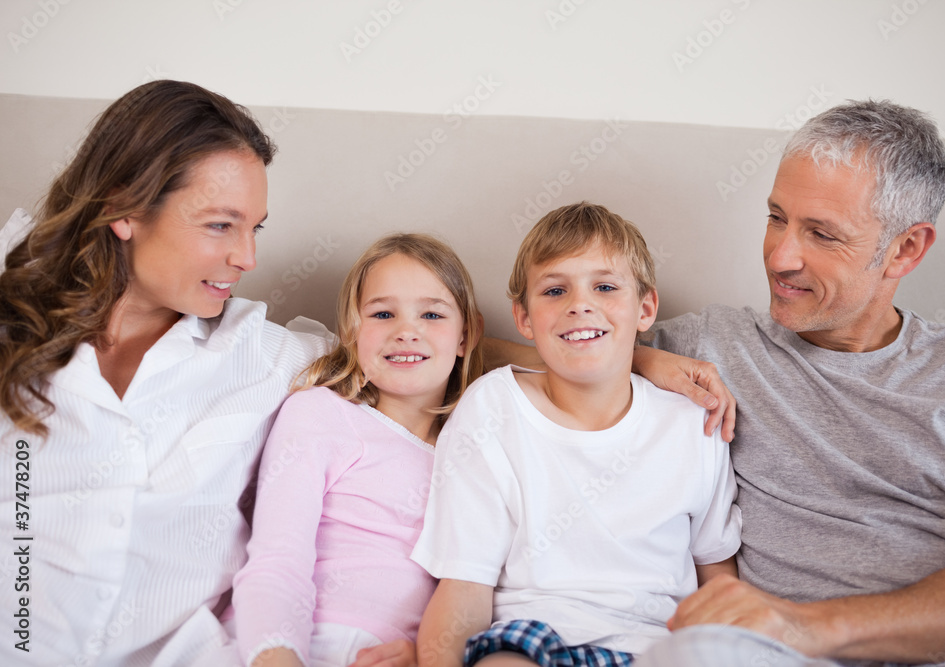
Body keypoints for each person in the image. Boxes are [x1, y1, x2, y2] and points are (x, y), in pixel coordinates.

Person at [632, 100, 945, 666]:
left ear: (905, 249)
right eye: (777, 217)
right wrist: (635, 361)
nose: (780, 258)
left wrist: (804, 625)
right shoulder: (714, 347)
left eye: (821, 234)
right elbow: (489, 360)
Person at [0, 80, 331, 666]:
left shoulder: (266, 357)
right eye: (220, 225)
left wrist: (549, 326)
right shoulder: (13, 320)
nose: (247, 257)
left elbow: (421, 346)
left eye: (255, 227)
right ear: (124, 208)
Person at [411, 202, 742, 667]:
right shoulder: (492, 408)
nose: (580, 304)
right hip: (531, 637)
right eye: (554, 290)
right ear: (524, 319)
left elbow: (718, 575)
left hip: (658, 646)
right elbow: (464, 587)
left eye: (605, 286)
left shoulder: (693, 423)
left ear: (645, 308)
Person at [231, 233, 485, 667]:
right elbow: (277, 559)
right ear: (352, 331)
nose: (407, 331)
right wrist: (280, 656)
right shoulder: (321, 414)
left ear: (465, 336)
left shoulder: (476, 453)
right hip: (301, 643)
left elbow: (471, 588)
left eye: (432, 314)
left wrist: (424, 654)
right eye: (383, 313)